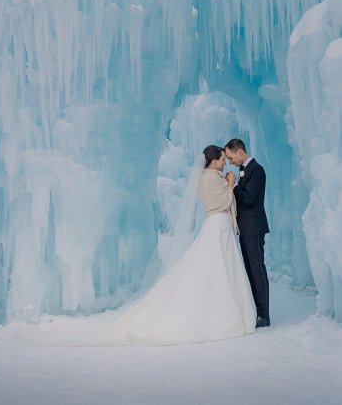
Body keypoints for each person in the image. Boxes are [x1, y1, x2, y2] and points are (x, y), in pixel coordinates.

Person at [25, 145, 256, 346]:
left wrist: (226, 183)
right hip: (217, 224)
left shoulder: (209, 177)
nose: (226, 161)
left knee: (218, 267)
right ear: (214, 160)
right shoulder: (209, 178)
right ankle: (220, 314)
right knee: (217, 268)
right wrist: (231, 184)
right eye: (222, 159)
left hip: (220, 227)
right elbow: (221, 202)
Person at [224, 138, 270, 328]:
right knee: (250, 270)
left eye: (230, 157)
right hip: (246, 228)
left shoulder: (256, 170)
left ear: (240, 152)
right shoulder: (245, 171)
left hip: (254, 228)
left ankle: (264, 315)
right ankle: (256, 311)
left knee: (257, 270)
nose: (230, 161)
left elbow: (249, 198)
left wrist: (234, 185)